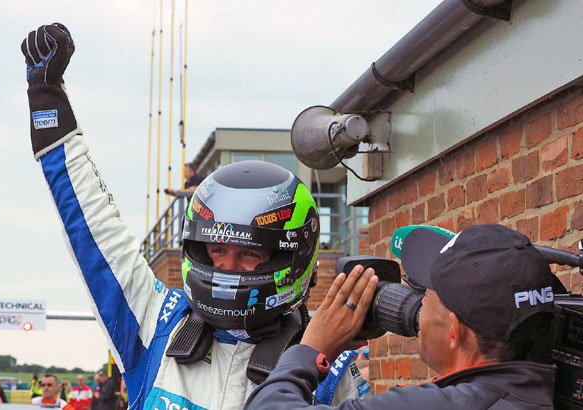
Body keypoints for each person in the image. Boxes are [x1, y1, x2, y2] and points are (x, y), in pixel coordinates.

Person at [20, 23, 366, 410]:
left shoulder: (329, 366)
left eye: (250, 253)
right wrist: (47, 102)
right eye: (217, 249)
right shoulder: (158, 323)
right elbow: (94, 229)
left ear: (291, 257)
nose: (227, 267)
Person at [245, 224, 560, 409]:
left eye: (426, 296)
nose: (417, 304)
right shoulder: (547, 388)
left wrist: (311, 348)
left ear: (455, 330)